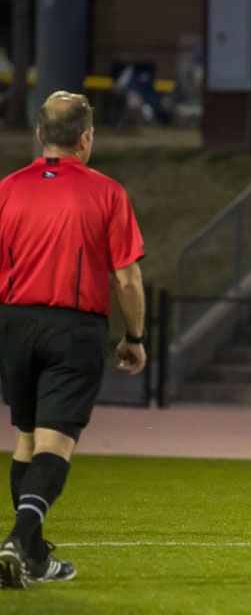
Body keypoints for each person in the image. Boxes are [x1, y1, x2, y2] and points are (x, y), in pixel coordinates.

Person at [0, 92, 147, 589]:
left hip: (13, 324)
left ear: (40, 136)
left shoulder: (7, 189)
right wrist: (134, 337)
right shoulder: (106, 193)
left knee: (26, 438)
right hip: (73, 328)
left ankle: (34, 557)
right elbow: (127, 279)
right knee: (56, 443)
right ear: (84, 139)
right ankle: (18, 540)